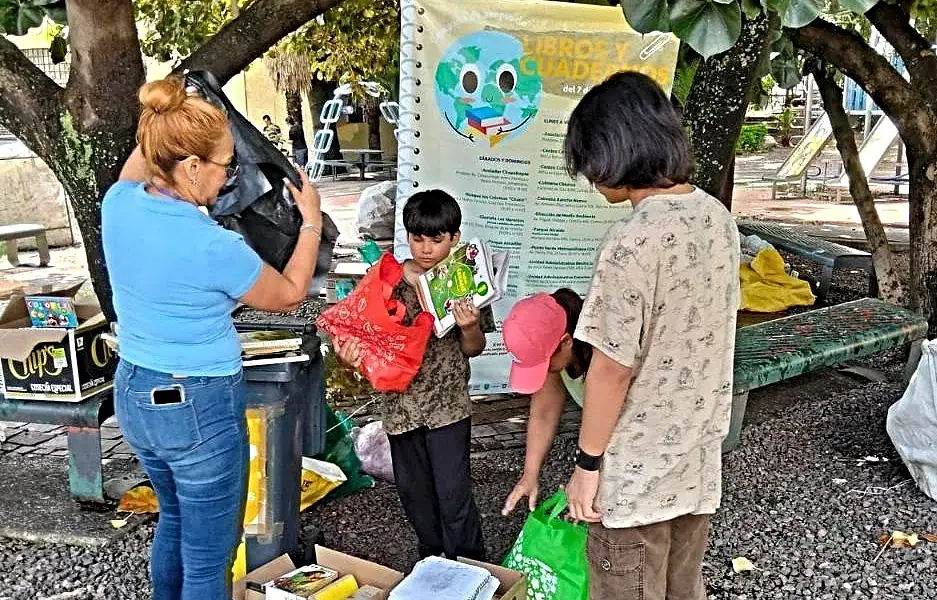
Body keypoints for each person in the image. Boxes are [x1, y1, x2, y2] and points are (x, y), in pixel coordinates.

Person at [101, 78, 323, 600]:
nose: (229, 177)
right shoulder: (212, 245)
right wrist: (309, 221)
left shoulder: (120, 202)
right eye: (225, 164)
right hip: (198, 407)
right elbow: (290, 291)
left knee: (174, 521)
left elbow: (151, 150)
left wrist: (177, 106)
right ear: (192, 166)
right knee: (209, 564)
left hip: (135, 394)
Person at [561, 71, 740, 599]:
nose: (591, 177)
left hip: (636, 479)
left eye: (591, 161)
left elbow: (611, 370)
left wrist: (587, 466)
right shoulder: (717, 217)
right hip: (695, 465)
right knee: (683, 588)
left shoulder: (631, 241)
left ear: (613, 154)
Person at [334, 189, 494, 562]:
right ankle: (433, 563)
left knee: (454, 495)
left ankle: (472, 566)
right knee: (416, 495)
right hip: (400, 410)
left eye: (436, 240)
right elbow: (361, 343)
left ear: (454, 238)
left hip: (449, 409)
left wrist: (469, 327)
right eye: (417, 238)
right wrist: (348, 358)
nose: (425, 249)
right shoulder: (384, 282)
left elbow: (474, 347)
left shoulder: (464, 280)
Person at [499, 289, 592, 515]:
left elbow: (611, 428)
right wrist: (530, 474)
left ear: (566, 341)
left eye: (543, 362)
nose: (545, 370)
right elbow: (544, 413)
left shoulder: (604, 359)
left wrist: (587, 478)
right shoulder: (555, 346)